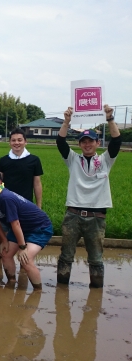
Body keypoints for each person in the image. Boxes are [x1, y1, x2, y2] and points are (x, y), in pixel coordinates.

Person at [56, 105, 120, 288]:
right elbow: (60, 143)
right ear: (79, 144)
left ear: (97, 143)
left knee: (96, 259)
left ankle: (96, 292)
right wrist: (67, 122)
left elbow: (116, 141)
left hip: (96, 218)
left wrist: (110, 118)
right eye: (83, 141)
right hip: (73, 216)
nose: (87, 144)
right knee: (66, 257)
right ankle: (61, 293)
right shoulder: (73, 160)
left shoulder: (106, 160)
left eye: (90, 141)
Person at [0, 169, 52, 290]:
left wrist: (22, 247)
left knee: (26, 259)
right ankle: (11, 282)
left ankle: (38, 291)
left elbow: (16, 223)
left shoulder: (6, 197)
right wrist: (4, 240)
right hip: (20, 228)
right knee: (5, 254)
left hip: (38, 228)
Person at [0, 128, 43, 208]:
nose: (16, 143)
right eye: (13, 140)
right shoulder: (3, 160)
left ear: (25, 142)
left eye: (19, 140)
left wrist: (39, 205)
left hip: (26, 203)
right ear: (9, 143)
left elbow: (37, 184)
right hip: (6, 202)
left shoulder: (34, 160)